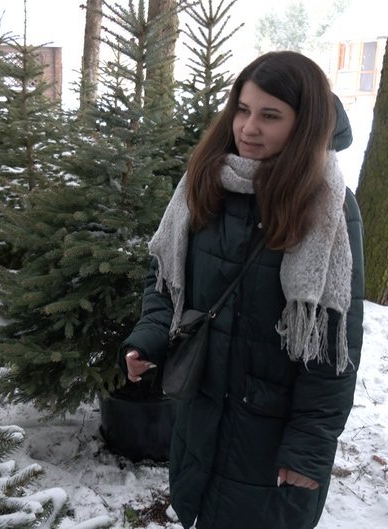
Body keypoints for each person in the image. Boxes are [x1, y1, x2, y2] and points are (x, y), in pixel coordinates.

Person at [119, 51, 364, 529]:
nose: (248, 128)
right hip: (202, 415)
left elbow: (334, 347)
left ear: (304, 124)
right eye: (243, 110)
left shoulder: (329, 208)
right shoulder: (206, 183)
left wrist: (309, 447)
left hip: (270, 439)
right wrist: (148, 337)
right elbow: (166, 279)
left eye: (270, 116)